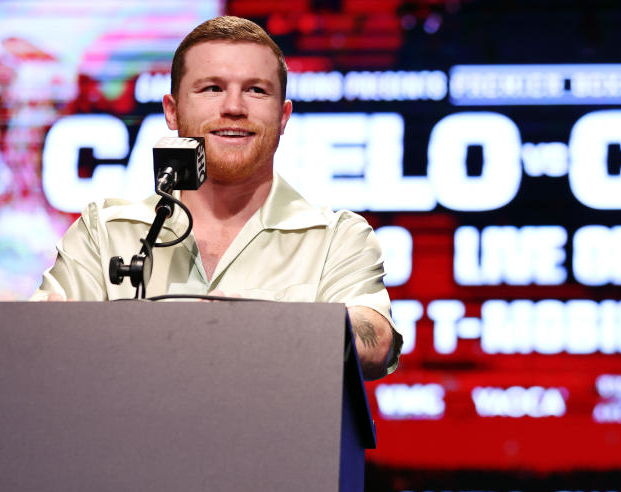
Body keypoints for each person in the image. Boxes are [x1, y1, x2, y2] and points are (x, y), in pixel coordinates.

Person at [30, 16, 400, 380]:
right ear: (172, 112)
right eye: (211, 89)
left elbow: (375, 340)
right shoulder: (105, 232)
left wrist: (257, 328)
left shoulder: (337, 238)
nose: (234, 107)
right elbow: (36, 342)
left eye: (256, 90)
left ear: (283, 116)